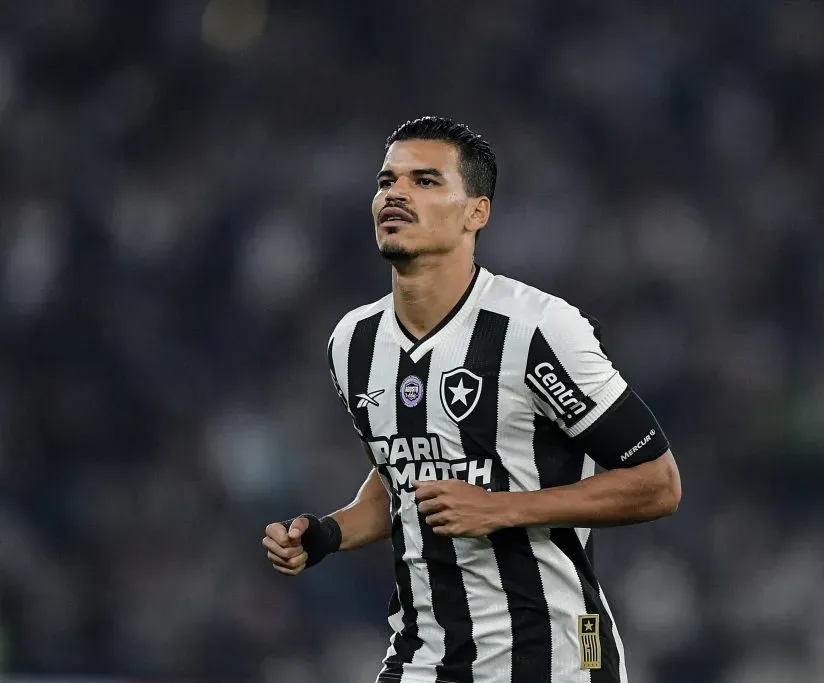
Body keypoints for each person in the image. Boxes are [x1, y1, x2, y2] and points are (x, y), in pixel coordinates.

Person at [262, 116, 682, 683]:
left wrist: (502, 508)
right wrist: (327, 535)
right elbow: (400, 481)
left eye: (426, 181)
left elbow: (657, 483)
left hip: (557, 656)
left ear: (476, 212)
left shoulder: (537, 329)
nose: (397, 194)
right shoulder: (352, 343)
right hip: (422, 660)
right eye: (387, 182)